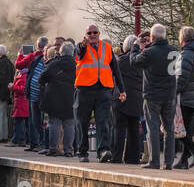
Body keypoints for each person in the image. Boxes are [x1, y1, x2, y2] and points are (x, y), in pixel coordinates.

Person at [73, 23, 125, 163]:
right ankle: (82, 151)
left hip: (103, 88)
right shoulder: (81, 46)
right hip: (85, 88)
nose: (92, 35)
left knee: (103, 120)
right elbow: (79, 53)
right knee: (82, 122)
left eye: (95, 32)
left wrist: (122, 89)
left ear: (99, 33)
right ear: (86, 35)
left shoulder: (106, 47)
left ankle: (103, 151)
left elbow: (115, 69)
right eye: (89, 33)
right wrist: (83, 46)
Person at [134, 23, 178, 169]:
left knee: (153, 126)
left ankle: (154, 161)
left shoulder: (149, 52)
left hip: (152, 94)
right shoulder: (174, 51)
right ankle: (169, 162)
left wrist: (135, 47)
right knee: (169, 128)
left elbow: (134, 62)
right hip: (170, 94)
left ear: (152, 37)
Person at [174, 26, 194, 168]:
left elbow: (182, 78)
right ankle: (184, 160)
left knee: (180, 129)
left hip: (186, 96)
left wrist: (174, 92)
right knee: (187, 128)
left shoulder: (186, 54)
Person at [38, 43, 77, 156]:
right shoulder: (76, 65)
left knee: (54, 123)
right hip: (70, 96)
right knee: (69, 124)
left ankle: (53, 148)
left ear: (61, 52)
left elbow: (42, 78)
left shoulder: (54, 64)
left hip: (54, 96)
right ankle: (68, 150)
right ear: (72, 52)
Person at [114, 35, 145, 163]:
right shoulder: (142, 61)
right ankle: (133, 157)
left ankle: (117, 157)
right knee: (134, 128)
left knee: (119, 128)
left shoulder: (120, 61)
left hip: (122, 96)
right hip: (137, 97)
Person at [17, 35, 50, 151]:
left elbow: (18, 64)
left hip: (42, 95)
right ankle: (34, 143)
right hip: (32, 93)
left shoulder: (39, 57)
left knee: (39, 120)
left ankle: (40, 143)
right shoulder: (35, 58)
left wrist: (20, 54)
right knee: (33, 119)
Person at [10, 62, 30, 146]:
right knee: (22, 122)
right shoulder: (22, 74)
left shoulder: (23, 76)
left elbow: (22, 89)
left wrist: (12, 87)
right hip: (21, 102)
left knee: (19, 122)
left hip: (21, 102)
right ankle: (21, 139)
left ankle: (19, 140)